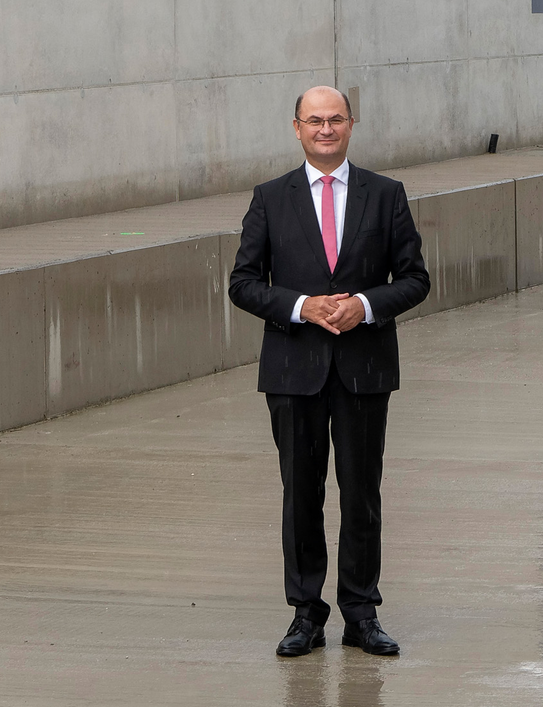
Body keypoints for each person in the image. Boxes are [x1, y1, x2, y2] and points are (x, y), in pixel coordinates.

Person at [229, 86, 430, 658]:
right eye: (314, 120)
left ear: (350, 125)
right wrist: (302, 307)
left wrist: (364, 306)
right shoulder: (270, 198)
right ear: (296, 128)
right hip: (294, 371)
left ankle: (362, 612)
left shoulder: (386, 195)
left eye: (335, 119)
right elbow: (243, 283)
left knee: (362, 492)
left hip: (364, 368)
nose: (325, 129)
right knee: (301, 494)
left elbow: (415, 278)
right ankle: (305, 613)